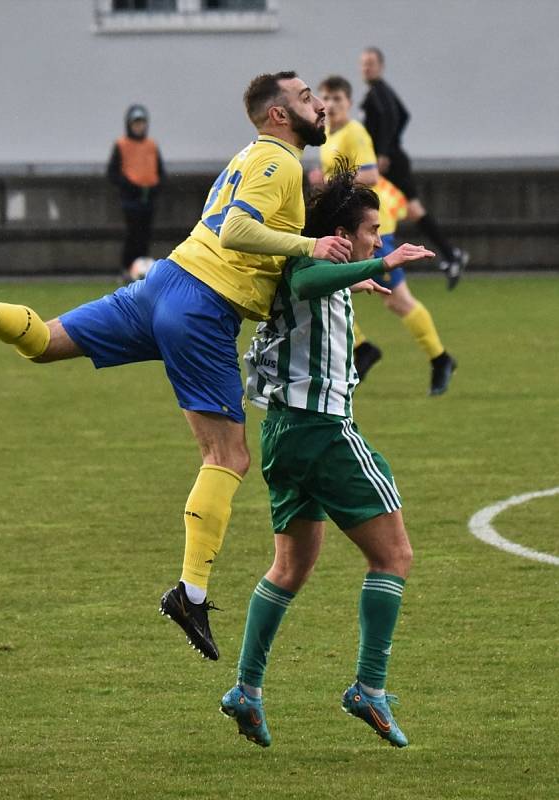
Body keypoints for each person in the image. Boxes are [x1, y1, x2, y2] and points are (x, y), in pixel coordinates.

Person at [0, 71, 353, 663]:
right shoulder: (282, 161)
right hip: (202, 307)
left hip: (164, 281)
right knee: (228, 457)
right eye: (305, 98)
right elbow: (240, 229)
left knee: (47, 342)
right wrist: (310, 246)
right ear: (277, 115)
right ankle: (190, 593)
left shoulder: (254, 155)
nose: (318, 105)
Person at [220, 159, 434, 749]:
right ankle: (369, 686)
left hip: (284, 434)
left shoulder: (320, 260)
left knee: (290, 568)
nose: (379, 240)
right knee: (394, 557)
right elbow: (308, 283)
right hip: (322, 431)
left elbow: (312, 290)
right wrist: (380, 264)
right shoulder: (315, 259)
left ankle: (248, 689)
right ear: (344, 234)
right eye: (372, 231)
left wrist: (360, 275)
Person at [314, 75, 457, 395]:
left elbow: (370, 174)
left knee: (397, 301)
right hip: (349, 226)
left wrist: (329, 182)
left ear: (349, 103)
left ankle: (440, 358)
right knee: (331, 289)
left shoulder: (355, 132)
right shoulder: (327, 135)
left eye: (338, 98)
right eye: (326, 97)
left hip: (372, 230)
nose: (332, 104)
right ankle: (363, 349)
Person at [360, 46, 469, 290]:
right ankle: (451, 255)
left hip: (390, 162)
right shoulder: (381, 91)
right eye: (363, 63)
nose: (366, 68)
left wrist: (385, 151)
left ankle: (451, 255)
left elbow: (391, 118)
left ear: (380, 66)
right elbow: (404, 115)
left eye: (371, 63)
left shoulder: (378, 93)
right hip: (392, 158)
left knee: (411, 209)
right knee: (409, 210)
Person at [107, 104, 166, 279]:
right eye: (136, 123)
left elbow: (160, 171)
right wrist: (128, 185)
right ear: (129, 125)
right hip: (130, 199)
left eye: (142, 123)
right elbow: (113, 173)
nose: (139, 127)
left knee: (145, 236)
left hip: (149, 198)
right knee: (133, 234)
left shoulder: (151, 145)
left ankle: (142, 271)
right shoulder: (122, 144)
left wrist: (156, 187)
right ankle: (127, 269)